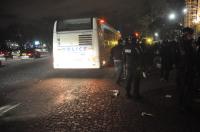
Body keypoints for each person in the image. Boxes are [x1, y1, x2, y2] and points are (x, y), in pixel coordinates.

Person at [175, 27, 196, 111]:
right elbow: (183, 56)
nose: (192, 36)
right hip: (183, 69)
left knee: (189, 88)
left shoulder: (189, 43)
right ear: (186, 34)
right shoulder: (181, 43)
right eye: (191, 34)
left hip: (189, 69)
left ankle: (187, 104)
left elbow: (192, 56)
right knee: (182, 88)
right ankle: (181, 105)